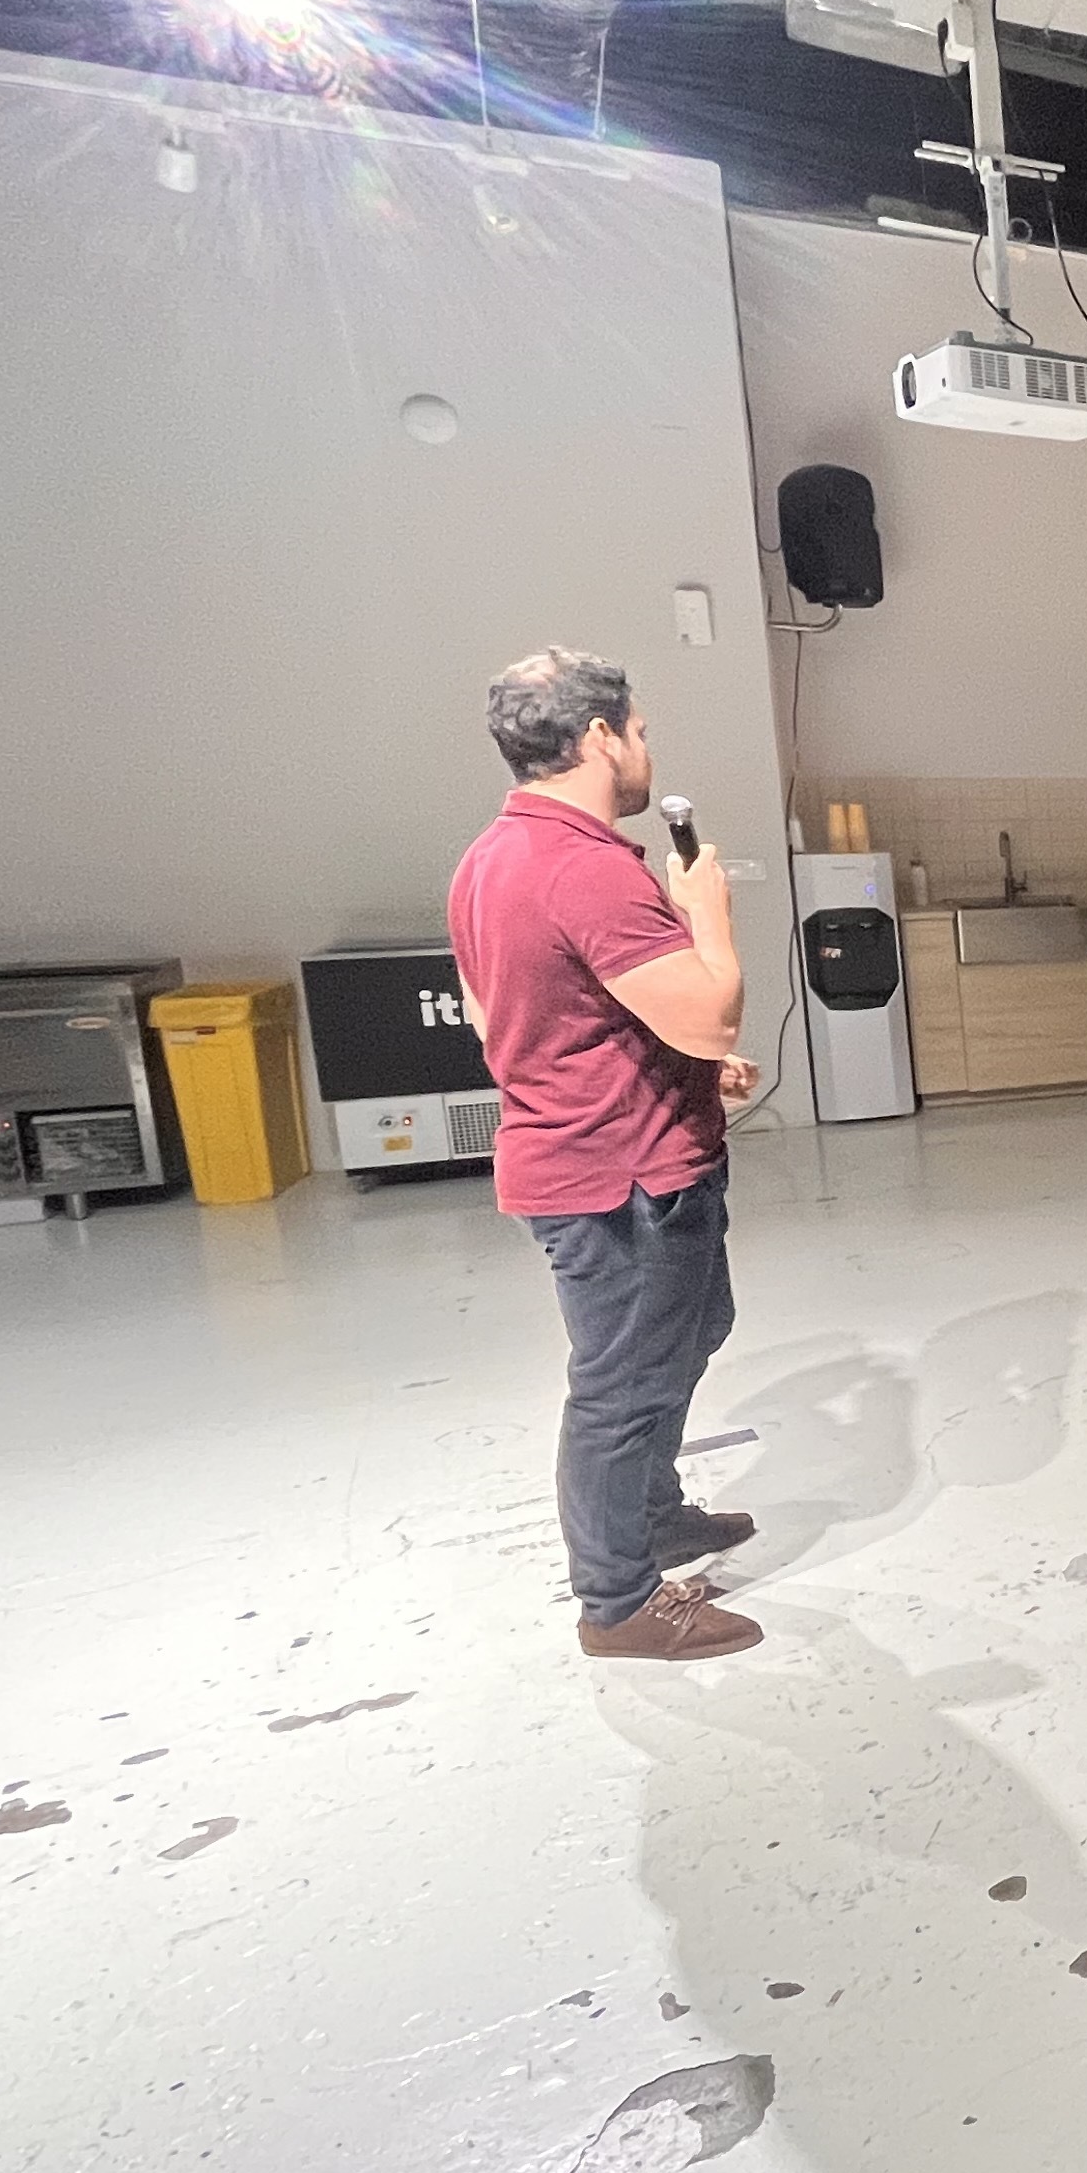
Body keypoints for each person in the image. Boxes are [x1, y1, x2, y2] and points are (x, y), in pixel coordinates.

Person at [446, 648, 764, 1664]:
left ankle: (653, 1512)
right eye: (639, 730)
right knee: (622, 1383)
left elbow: (511, 1017)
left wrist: (670, 1072)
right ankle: (618, 1599)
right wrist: (708, 919)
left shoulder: (491, 859)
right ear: (599, 738)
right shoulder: (587, 869)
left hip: (607, 1143)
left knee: (694, 1328)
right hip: (623, 1175)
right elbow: (711, 1015)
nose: (643, 749)